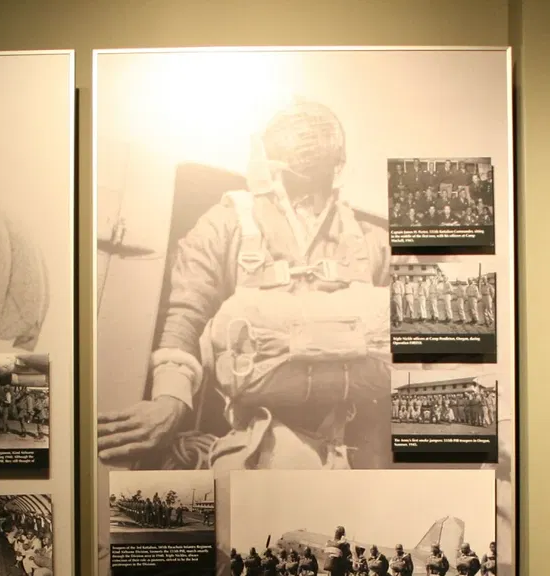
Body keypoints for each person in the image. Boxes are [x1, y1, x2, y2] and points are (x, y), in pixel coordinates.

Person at [95, 100, 391, 470]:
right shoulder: (226, 225)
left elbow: (400, 358)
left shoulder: (371, 242)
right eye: (299, 177)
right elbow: (188, 312)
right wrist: (170, 399)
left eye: (315, 175)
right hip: (251, 445)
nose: (306, 195)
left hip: (347, 451)